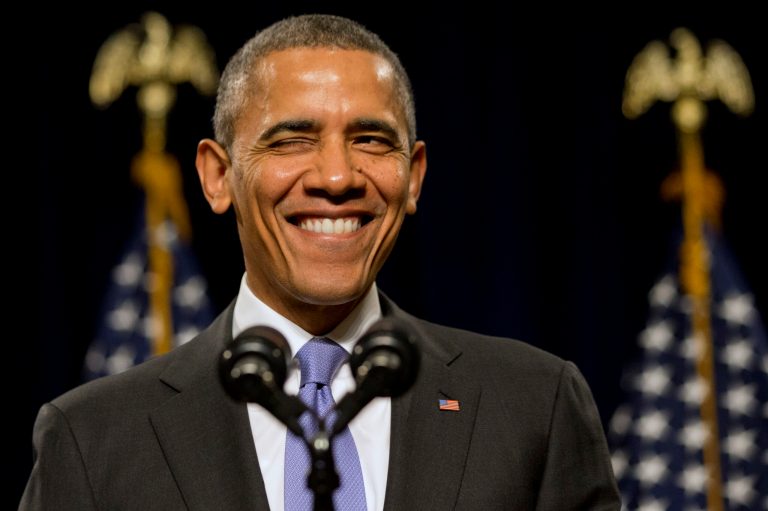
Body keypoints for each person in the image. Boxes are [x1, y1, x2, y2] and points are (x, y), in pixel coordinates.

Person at [21, 14, 620, 510]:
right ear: (218, 175)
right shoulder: (92, 439)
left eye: (370, 140)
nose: (337, 177)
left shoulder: (534, 406)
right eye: (291, 141)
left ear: (413, 179)